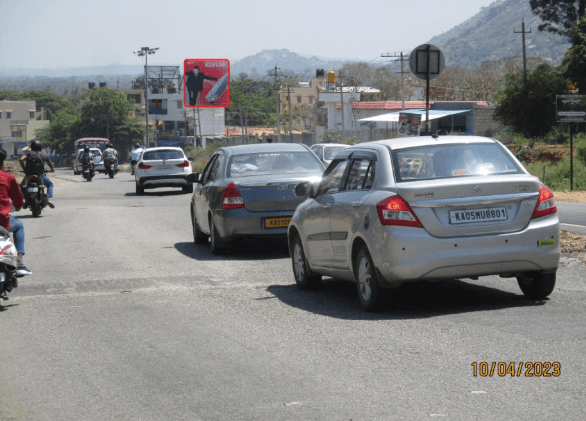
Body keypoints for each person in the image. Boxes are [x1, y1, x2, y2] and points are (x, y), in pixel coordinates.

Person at [0, 148, 31, 276]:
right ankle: (20, 262)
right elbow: (18, 203)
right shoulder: (8, 177)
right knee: (18, 225)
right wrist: (18, 206)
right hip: (3, 222)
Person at [19, 140, 55, 209]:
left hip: (28, 176)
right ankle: (48, 197)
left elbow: (21, 160)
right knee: (50, 184)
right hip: (40, 176)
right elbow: (50, 165)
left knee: (22, 187)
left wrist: (24, 169)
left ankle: (26, 200)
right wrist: (52, 169)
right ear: (40, 147)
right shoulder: (44, 155)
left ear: (32, 147)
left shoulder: (29, 153)